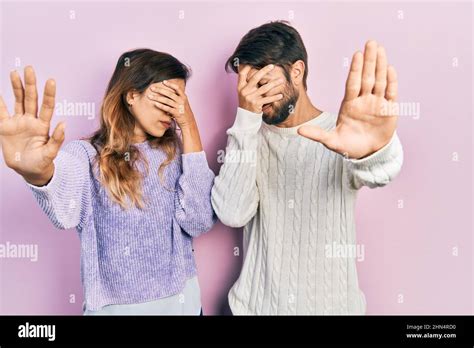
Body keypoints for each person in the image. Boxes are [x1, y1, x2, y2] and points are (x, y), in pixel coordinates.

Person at [0, 48, 216, 315]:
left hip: (184, 306)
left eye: (180, 100)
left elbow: (199, 221)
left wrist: (190, 126)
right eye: (166, 97)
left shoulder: (174, 152)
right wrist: (37, 173)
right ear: (132, 95)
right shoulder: (87, 156)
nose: (174, 110)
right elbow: (63, 209)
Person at [211, 21, 403, 315]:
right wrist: (245, 121)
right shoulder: (247, 136)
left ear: (296, 71)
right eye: (245, 87)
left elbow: (383, 171)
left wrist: (376, 149)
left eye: (261, 83)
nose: (254, 97)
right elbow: (233, 213)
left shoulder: (340, 134)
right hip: (251, 309)